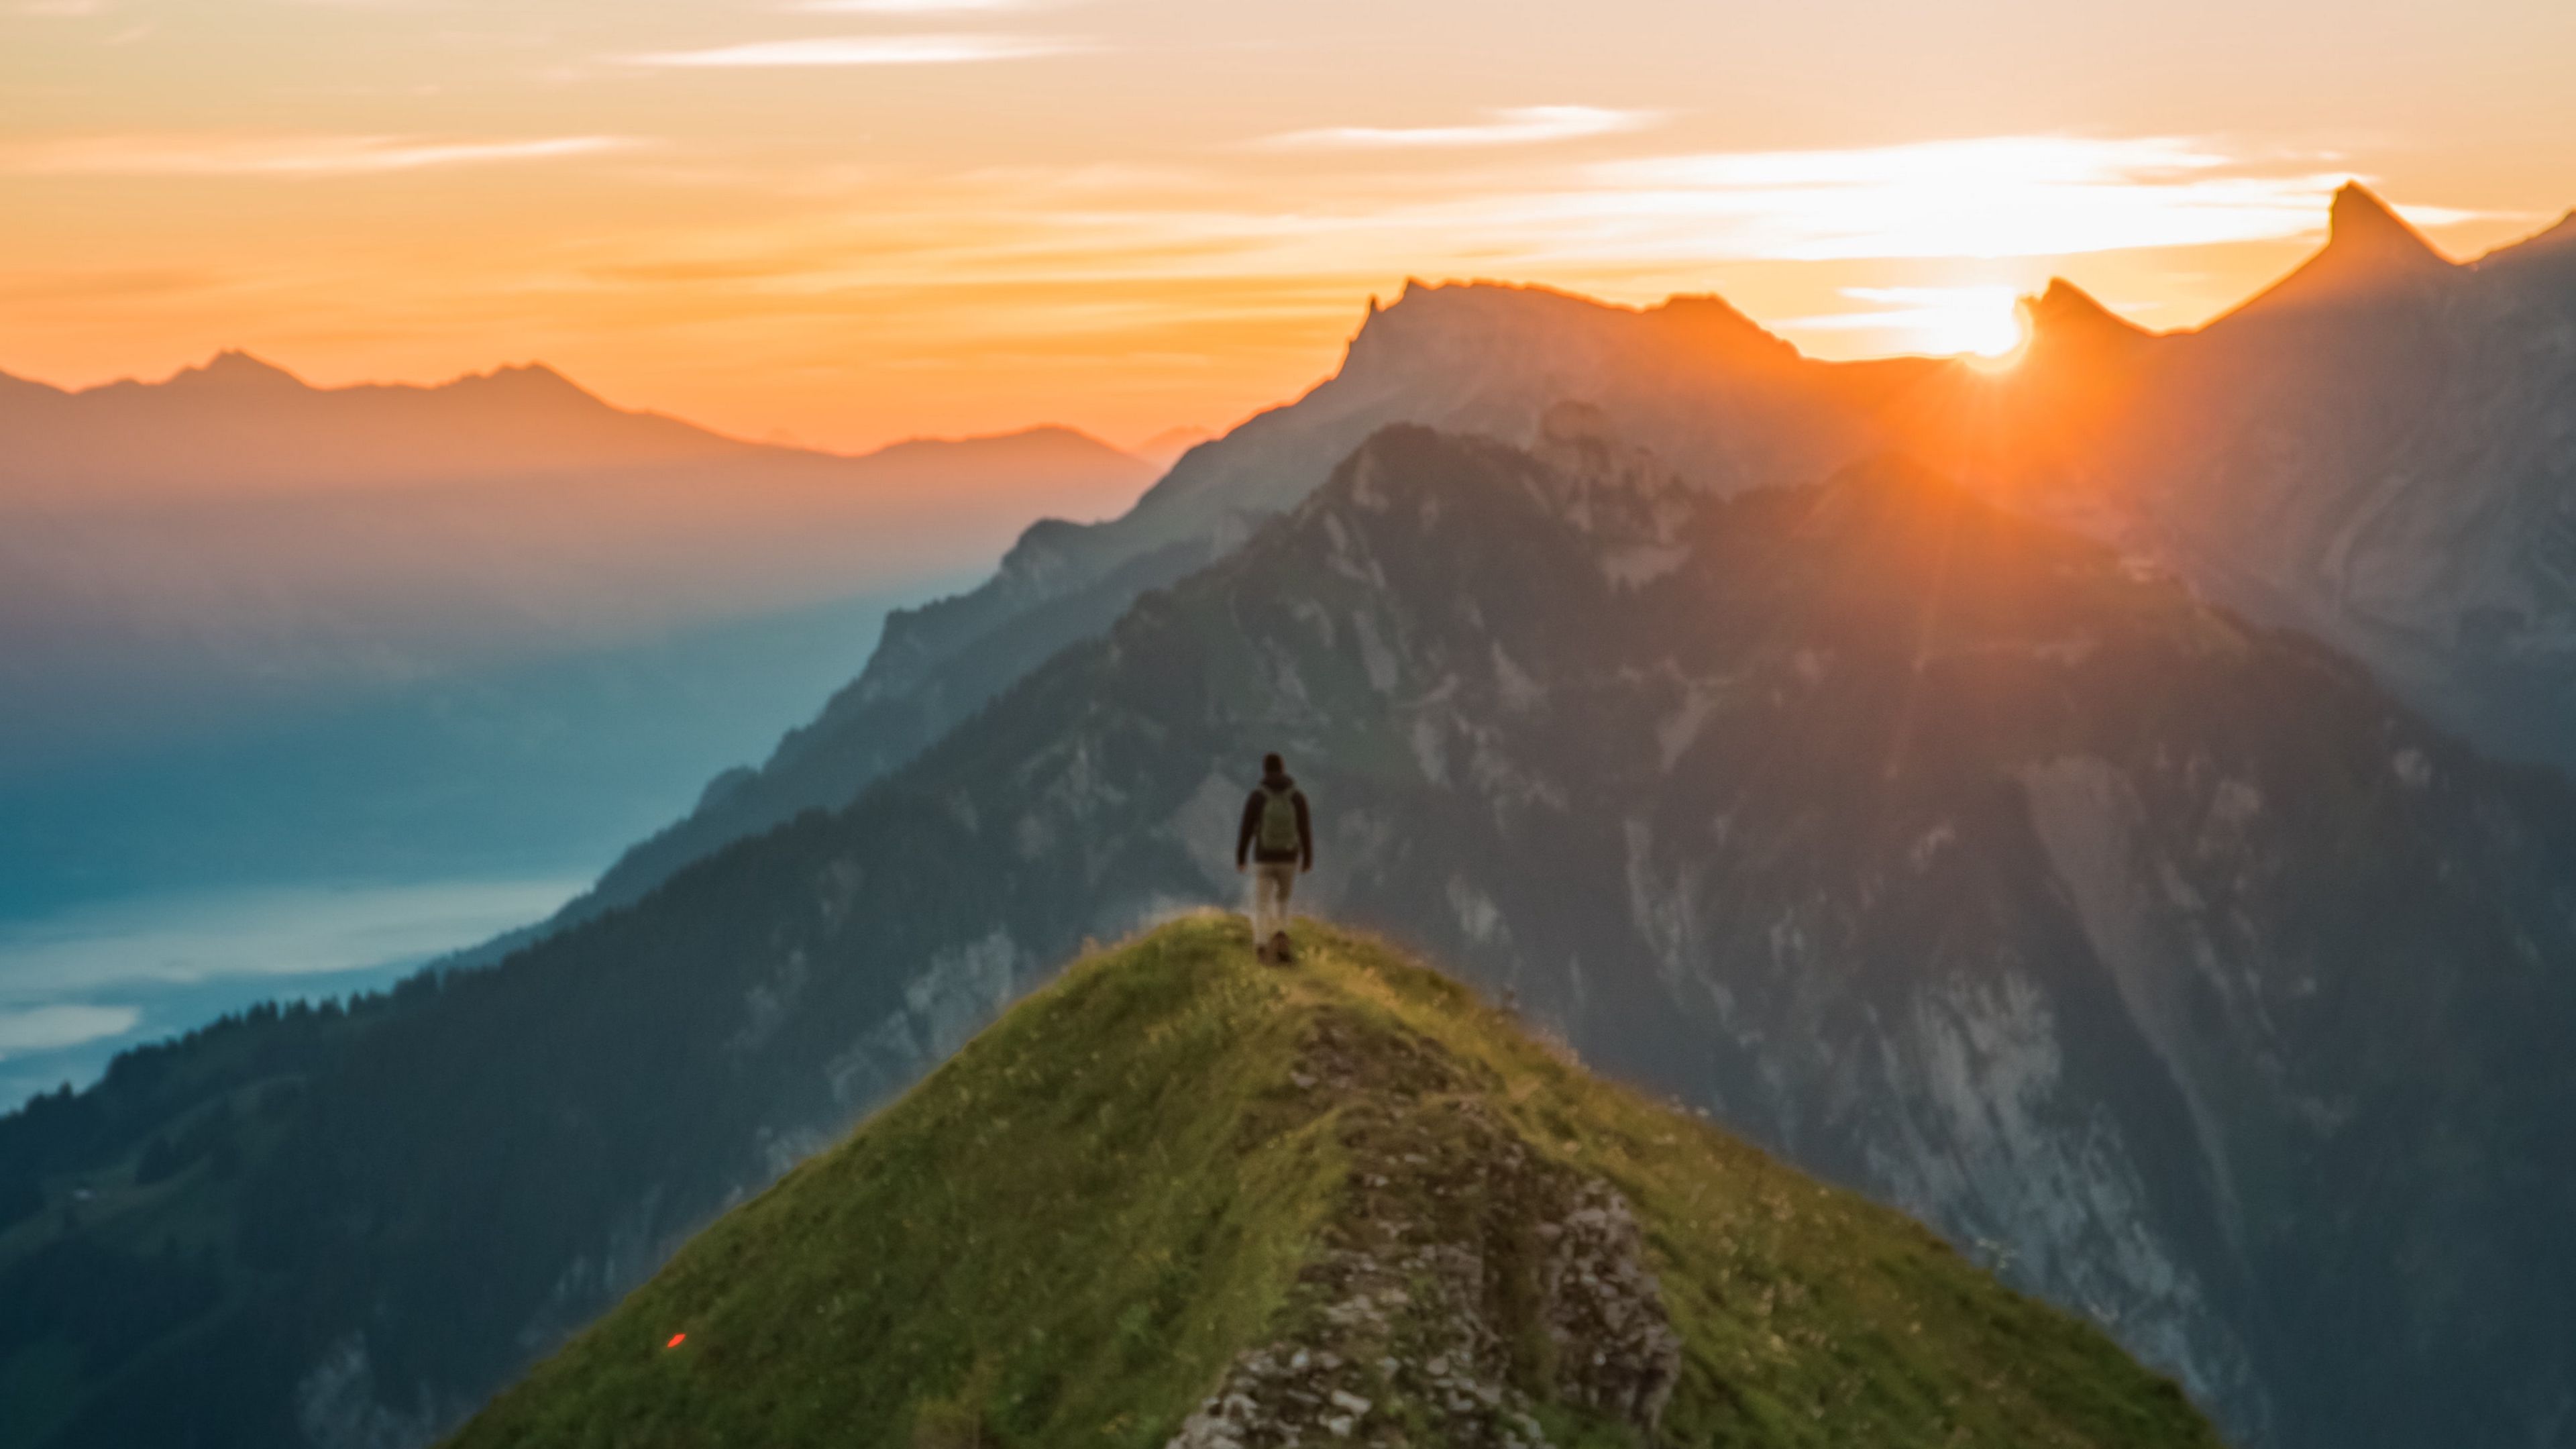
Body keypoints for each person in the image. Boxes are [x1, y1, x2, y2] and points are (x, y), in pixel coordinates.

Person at [1234, 752, 1313, 963]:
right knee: (1283, 899)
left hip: (1264, 857)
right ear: (1283, 768)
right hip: (1289, 857)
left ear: (1265, 770)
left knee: (1261, 903)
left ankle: (1261, 946)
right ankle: (1281, 939)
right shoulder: (1297, 797)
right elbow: (1304, 829)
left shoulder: (1257, 797)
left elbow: (1246, 829)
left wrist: (1241, 857)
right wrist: (1307, 859)